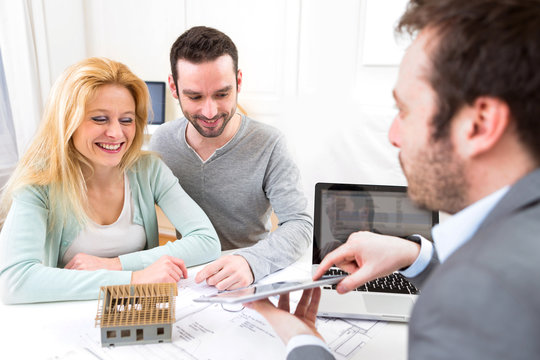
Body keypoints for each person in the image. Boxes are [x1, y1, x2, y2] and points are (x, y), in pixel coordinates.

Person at [247, 0, 540, 359]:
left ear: (479, 124)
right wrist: (414, 255)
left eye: (404, 111)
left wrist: (301, 340)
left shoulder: (475, 296)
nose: (393, 135)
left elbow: (482, 301)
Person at [0, 57, 221, 304]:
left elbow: (207, 241)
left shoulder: (149, 170)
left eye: (126, 120)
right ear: (67, 122)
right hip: (70, 318)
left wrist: (116, 265)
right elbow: (14, 281)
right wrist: (134, 279)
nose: (116, 133)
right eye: (99, 119)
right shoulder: (40, 182)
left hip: (137, 309)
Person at [149, 26, 312, 290]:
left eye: (222, 94)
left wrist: (251, 262)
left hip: (249, 278)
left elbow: (299, 224)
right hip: (188, 280)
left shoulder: (269, 143)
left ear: (238, 82)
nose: (210, 111)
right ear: (173, 87)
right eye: (195, 96)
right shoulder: (162, 142)